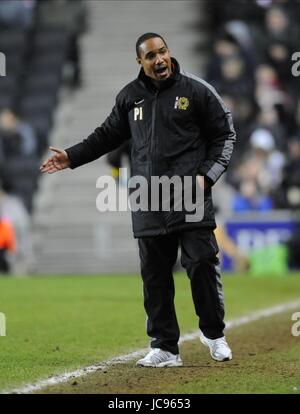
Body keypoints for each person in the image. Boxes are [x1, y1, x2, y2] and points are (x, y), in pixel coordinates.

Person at [40, 33, 236, 367]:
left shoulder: (197, 90)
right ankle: (165, 347)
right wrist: (70, 157)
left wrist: (207, 176)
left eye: (162, 52)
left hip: (189, 195)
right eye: (151, 56)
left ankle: (214, 335)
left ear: (169, 53)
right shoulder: (130, 98)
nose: (159, 60)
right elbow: (105, 136)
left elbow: (225, 135)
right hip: (148, 199)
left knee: (201, 263)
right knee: (154, 275)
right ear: (140, 62)